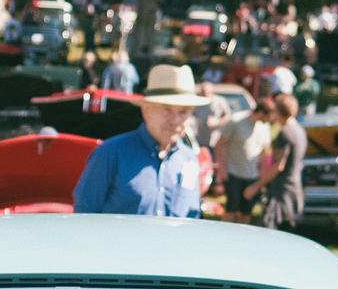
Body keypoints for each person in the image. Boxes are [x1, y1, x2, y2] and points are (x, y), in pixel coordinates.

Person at [72, 64, 204, 217]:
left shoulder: (188, 159)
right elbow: (84, 215)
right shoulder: (110, 154)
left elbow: (192, 216)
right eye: (166, 109)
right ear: (146, 110)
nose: (175, 120)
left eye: (183, 112)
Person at [246, 91, 305, 230]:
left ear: (277, 111)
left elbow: (279, 166)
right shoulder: (299, 130)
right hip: (294, 189)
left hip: (281, 192)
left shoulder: (285, 133)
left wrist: (256, 186)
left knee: (270, 231)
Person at [218, 99, 270, 217]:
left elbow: (265, 152)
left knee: (246, 213)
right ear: (261, 112)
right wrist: (221, 168)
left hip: (252, 176)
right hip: (234, 173)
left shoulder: (264, 127)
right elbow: (219, 144)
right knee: (231, 210)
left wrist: (262, 176)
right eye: (266, 117)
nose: (267, 121)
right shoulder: (236, 121)